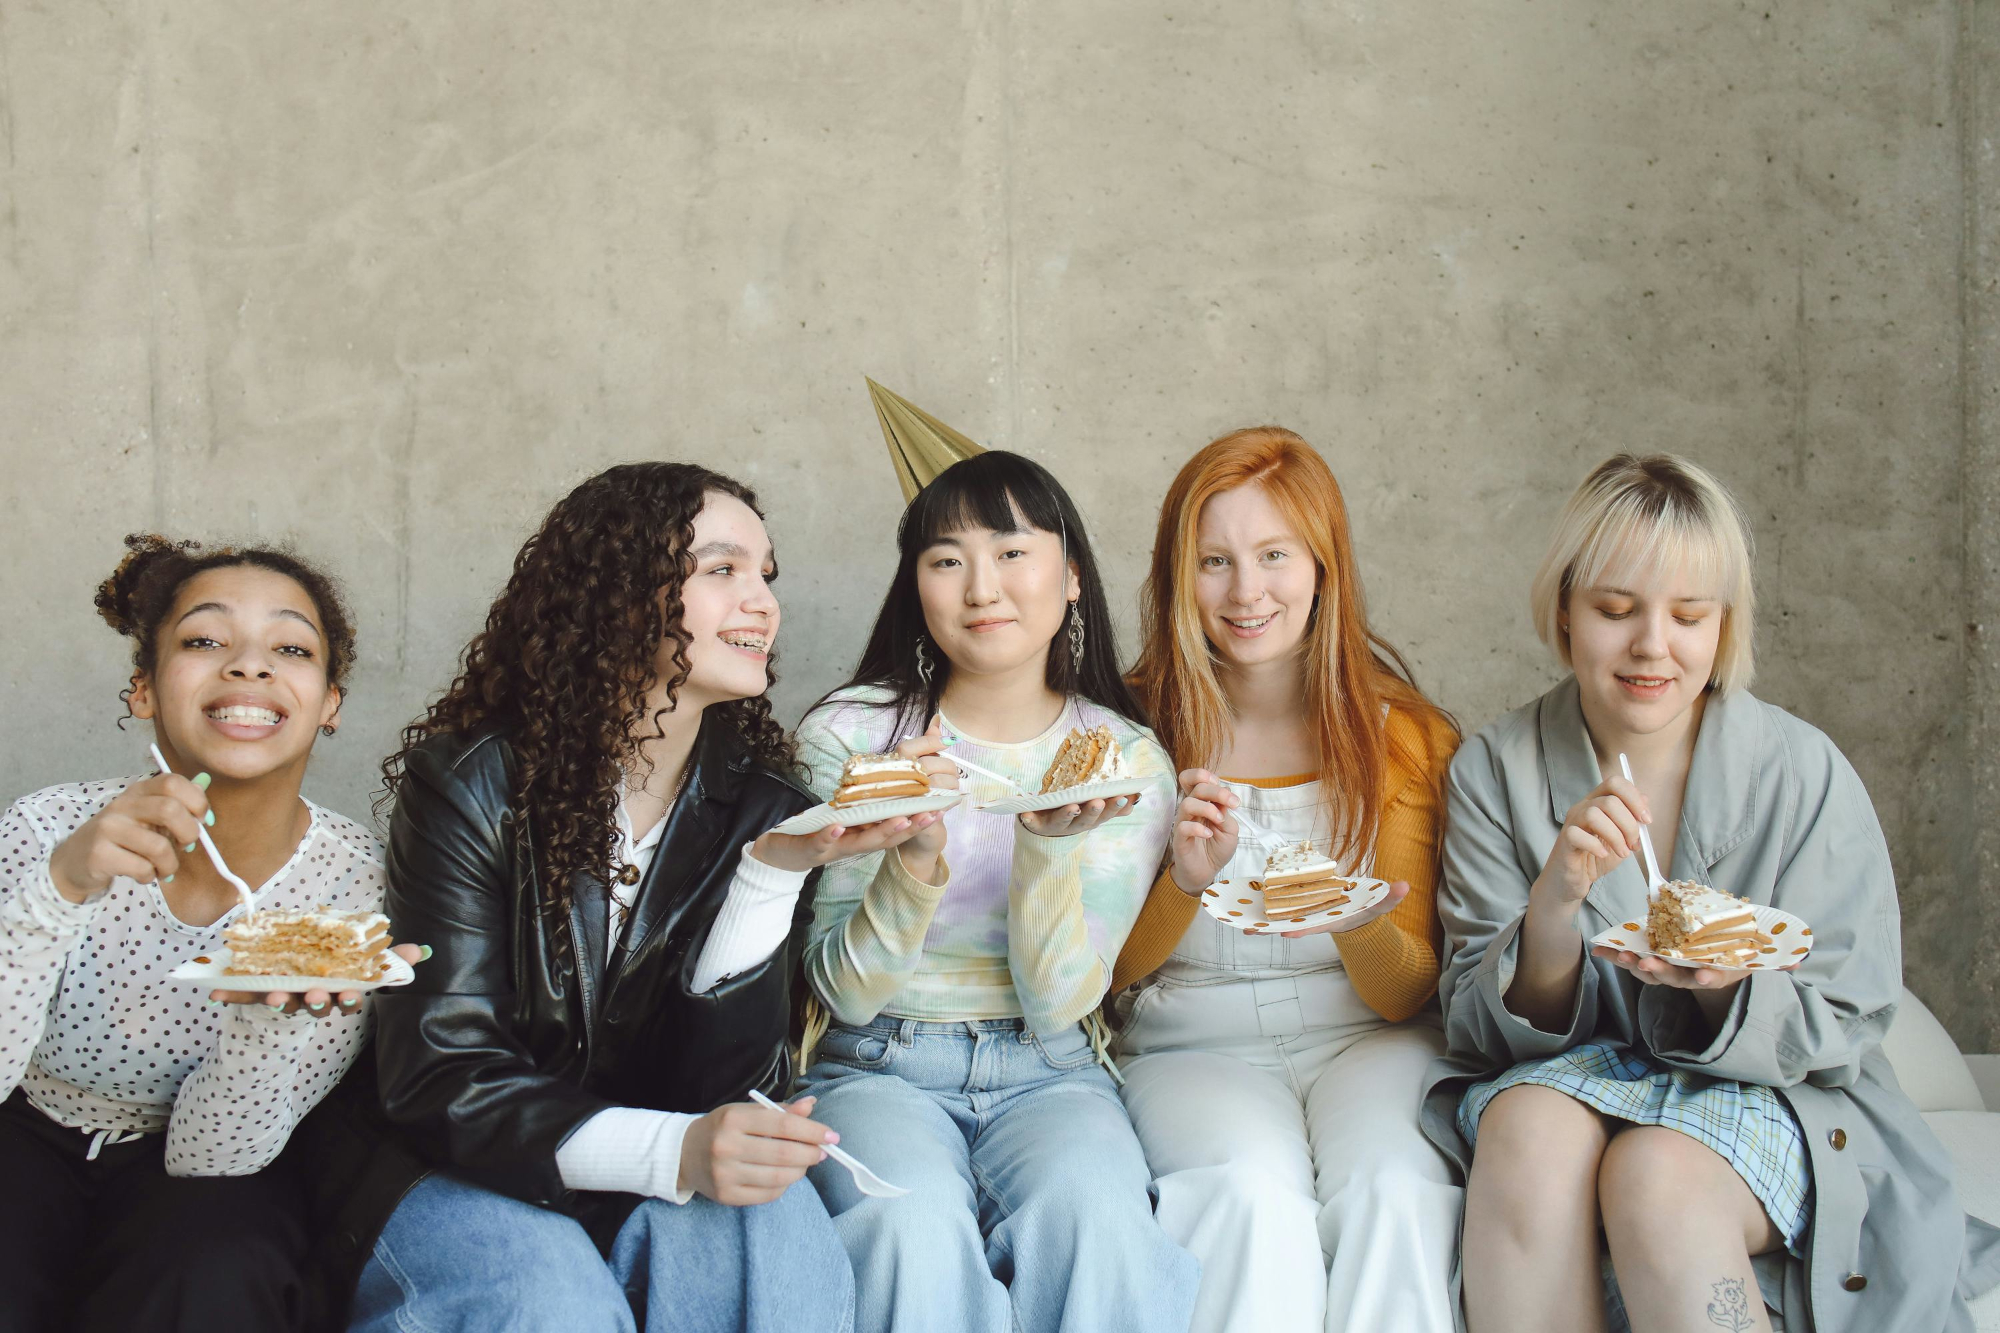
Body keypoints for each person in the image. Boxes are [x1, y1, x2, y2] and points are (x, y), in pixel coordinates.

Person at [1425, 454, 2000, 1332]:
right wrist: (1554, 906)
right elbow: (1475, 1024)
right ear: (1566, 612)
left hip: (1773, 1093)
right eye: (1616, 610)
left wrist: (1726, 989)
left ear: (1724, 623)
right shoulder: (1493, 771)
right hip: (1570, 1076)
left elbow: (1849, 1007)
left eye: (1689, 615)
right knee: (1526, 1128)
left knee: (1656, 1172)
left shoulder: (1801, 772)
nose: (1653, 645)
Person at [335, 463, 859, 1333]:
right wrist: (672, 1149)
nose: (761, 601)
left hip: (653, 1162)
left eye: (766, 574)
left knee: (780, 1245)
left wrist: (770, 876)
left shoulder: (770, 805)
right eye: (720, 569)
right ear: (622, 591)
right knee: (549, 1302)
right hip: (445, 1165)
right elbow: (443, 1072)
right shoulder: (473, 781)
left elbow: (728, 1094)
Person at [793, 449, 1200, 1333]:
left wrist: (1048, 847)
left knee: (1100, 1223)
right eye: (947, 559)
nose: (983, 587)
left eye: (1013, 551)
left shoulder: (1124, 760)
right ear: (916, 584)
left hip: (1050, 1072)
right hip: (876, 1064)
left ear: (1073, 577)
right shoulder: (852, 735)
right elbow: (844, 988)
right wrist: (913, 855)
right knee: (907, 1224)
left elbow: (1062, 1002)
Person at [1110, 427, 1463, 1333]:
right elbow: (1110, 973)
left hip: (1367, 1042)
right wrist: (1183, 883)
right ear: (1175, 574)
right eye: (1213, 560)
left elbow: (1406, 992)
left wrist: (1355, 916)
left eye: (1274, 555)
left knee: (1397, 1188)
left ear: (1323, 565)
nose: (1245, 591)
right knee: (1247, 1198)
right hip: (1195, 1042)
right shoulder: (1128, 727)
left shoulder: (1402, 736)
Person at [0, 533, 397, 1333]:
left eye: (289, 646)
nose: (248, 666)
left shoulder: (352, 884)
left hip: (208, 1166)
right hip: (24, 1127)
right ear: (144, 689)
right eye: (205, 640)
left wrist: (268, 1016)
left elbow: (213, 1156)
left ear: (329, 704)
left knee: (213, 1270)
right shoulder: (46, 825)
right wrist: (61, 885)